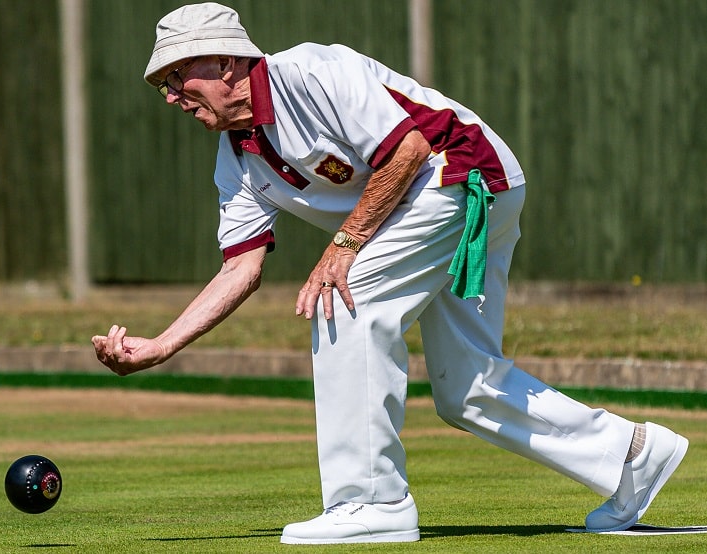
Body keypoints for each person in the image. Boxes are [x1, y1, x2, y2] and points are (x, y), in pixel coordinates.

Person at [92, 2, 689, 545]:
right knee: (466, 389)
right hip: (438, 198)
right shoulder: (237, 155)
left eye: (177, 76)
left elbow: (406, 150)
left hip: (460, 174)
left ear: (225, 62)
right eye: (164, 84)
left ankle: (371, 500)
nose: (171, 95)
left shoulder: (310, 72)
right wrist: (161, 345)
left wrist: (343, 247)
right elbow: (242, 265)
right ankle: (632, 456)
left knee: (343, 296)